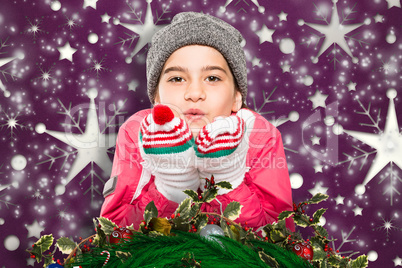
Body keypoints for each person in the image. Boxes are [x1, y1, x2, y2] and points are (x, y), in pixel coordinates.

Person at [100, 12, 294, 231]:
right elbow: (112, 236)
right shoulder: (137, 133)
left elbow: (282, 238)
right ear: (156, 98)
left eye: (212, 78)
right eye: (177, 79)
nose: (194, 93)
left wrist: (227, 180)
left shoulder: (258, 134)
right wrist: (171, 189)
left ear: (237, 97)